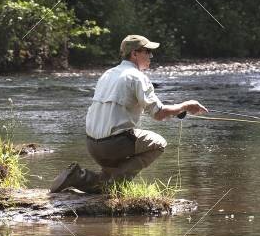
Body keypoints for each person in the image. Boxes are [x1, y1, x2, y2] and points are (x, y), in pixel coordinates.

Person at [49, 35, 208, 193]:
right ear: (134, 54)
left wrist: (177, 111)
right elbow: (159, 114)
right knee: (159, 144)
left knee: (103, 181)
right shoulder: (138, 77)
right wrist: (186, 105)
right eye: (147, 51)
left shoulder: (108, 74)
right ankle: (116, 183)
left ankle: (78, 176)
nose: (151, 55)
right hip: (114, 144)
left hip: (92, 144)